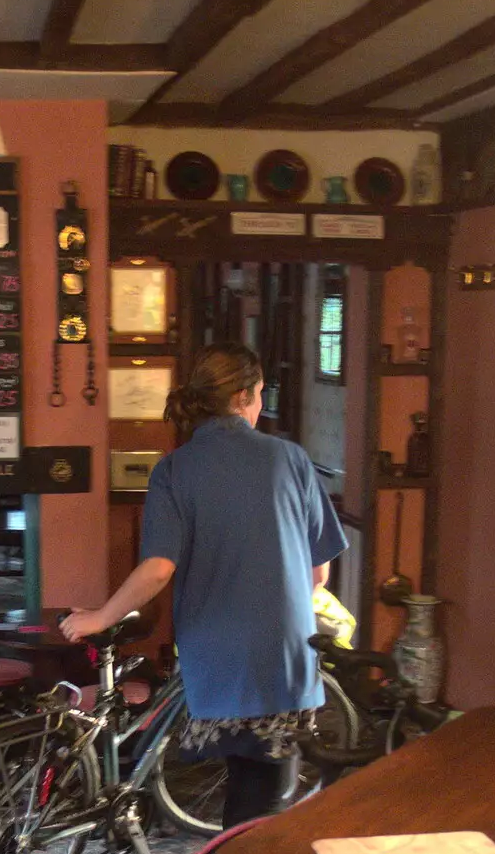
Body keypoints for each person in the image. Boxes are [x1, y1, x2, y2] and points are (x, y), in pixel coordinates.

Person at [62, 343, 346, 828]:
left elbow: (159, 567)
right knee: (265, 803)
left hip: (211, 656)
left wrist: (100, 616)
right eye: (258, 395)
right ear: (244, 395)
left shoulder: (175, 469)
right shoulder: (290, 459)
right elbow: (318, 573)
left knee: (243, 778)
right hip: (278, 656)